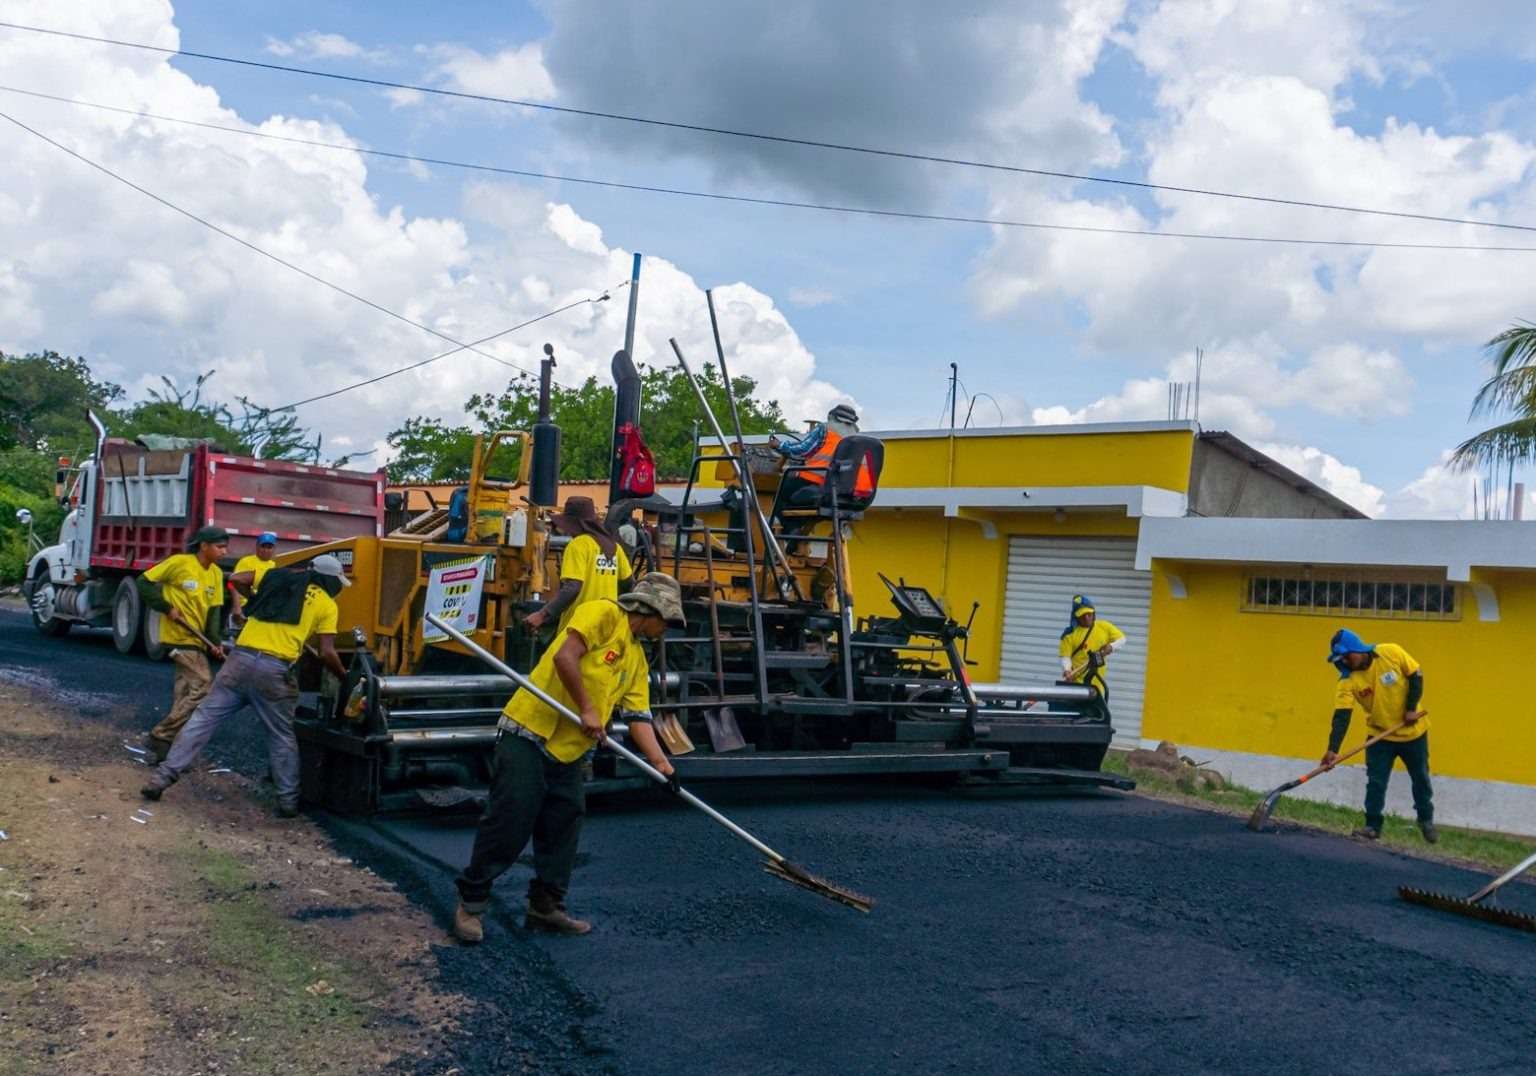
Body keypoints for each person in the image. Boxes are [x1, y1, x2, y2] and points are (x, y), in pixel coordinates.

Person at [452, 573, 686, 944]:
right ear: (651, 609)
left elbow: (638, 716)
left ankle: (545, 906)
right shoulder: (603, 614)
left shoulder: (637, 658)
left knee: (563, 826)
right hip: (529, 734)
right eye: (668, 622)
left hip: (570, 751)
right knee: (509, 822)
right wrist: (589, 709)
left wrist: (662, 765)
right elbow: (566, 657)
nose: (665, 631)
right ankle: (472, 903)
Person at [139, 554, 352, 818]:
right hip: (274, 672)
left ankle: (161, 779)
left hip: (238, 663)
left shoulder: (275, 578)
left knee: (203, 720)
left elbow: (236, 578)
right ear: (331, 581)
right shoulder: (326, 604)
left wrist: (254, 598)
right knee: (281, 735)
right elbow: (328, 652)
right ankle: (287, 801)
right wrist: (346, 677)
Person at [1320, 628, 1435, 843]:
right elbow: (1342, 716)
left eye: (1346, 656)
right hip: (1380, 736)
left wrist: (1411, 708)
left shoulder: (1390, 652)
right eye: (1340, 658)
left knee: (1420, 777)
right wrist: (1332, 749)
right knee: (1376, 782)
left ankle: (1425, 819)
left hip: (1414, 733)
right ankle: (1372, 826)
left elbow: (1416, 676)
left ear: (1357, 648)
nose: (1344, 661)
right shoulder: (1347, 680)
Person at [138, 526, 229, 762]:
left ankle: (167, 752)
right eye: (219, 547)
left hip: (198, 639)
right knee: (204, 686)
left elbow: (214, 611)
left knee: (185, 694)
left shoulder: (216, 574)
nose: (224, 551)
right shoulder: (179, 563)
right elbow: (144, 582)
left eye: (225, 547)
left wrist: (215, 642)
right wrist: (167, 608)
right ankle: (161, 733)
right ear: (204, 546)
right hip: (177, 637)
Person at [524, 496, 633, 633]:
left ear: (573, 524)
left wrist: (542, 615)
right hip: (607, 628)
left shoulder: (578, 546)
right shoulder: (615, 548)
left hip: (577, 630)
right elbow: (628, 584)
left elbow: (572, 588)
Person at [769, 404, 871, 525]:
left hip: (820, 482)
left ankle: (783, 530)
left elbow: (802, 450)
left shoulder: (825, 428)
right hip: (851, 493)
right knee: (794, 490)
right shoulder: (856, 438)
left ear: (831, 416)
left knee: (780, 488)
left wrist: (779, 445)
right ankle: (797, 535)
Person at [1058, 594, 1127, 700]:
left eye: (1089, 614)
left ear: (1094, 613)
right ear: (1076, 617)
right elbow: (1065, 656)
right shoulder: (1069, 634)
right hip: (1077, 684)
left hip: (1098, 686)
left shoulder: (1104, 627)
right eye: (1082, 615)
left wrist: (1111, 647)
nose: (1086, 618)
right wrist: (1067, 670)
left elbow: (1122, 639)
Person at [230, 531, 279, 626]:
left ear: (274, 549)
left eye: (269, 547)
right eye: (263, 546)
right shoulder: (246, 561)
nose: (266, 550)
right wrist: (237, 607)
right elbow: (232, 584)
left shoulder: (275, 565)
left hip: (263, 610)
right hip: (245, 607)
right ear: (257, 546)